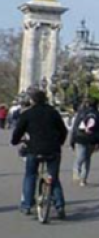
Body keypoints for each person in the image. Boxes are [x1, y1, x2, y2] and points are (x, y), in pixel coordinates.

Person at [11, 89, 68, 217]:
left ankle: (27, 205)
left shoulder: (27, 114)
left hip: (34, 149)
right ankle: (59, 205)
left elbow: (18, 131)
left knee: (30, 175)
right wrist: (59, 142)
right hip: (53, 149)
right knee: (54, 177)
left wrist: (15, 141)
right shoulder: (53, 113)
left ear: (32, 100)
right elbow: (63, 131)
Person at [69, 97, 99, 186]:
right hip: (93, 140)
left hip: (80, 138)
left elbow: (75, 127)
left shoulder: (81, 113)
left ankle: (77, 172)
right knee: (86, 158)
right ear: (97, 105)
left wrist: (72, 141)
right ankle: (82, 178)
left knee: (82, 156)